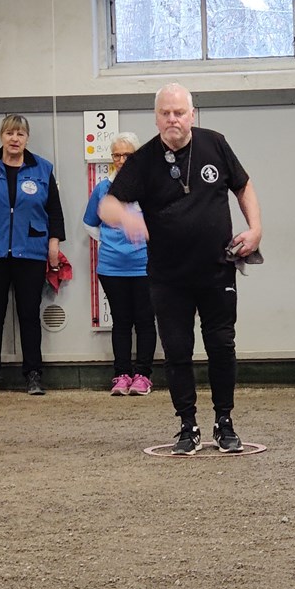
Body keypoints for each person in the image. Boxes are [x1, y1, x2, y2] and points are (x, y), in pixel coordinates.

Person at [99, 82, 262, 455]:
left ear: (192, 115)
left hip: (217, 270)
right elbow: (107, 205)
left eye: (179, 112)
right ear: (156, 118)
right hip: (168, 277)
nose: (172, 119)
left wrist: (255, 229)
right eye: (165, 113)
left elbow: (243, 186)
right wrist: (125, 217)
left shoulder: (215, 144)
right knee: (177, 351)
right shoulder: (143, 160)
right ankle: (188, 426)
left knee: (222, 345)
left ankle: (224, 423)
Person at [0, 114, 65, 395]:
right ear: (1, 136)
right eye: (9, 133)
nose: (14, 139)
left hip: (31, 251)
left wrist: (54, 244)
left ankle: (34, 374)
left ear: (27, 138)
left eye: (20, 134)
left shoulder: (42, 168)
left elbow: (54, 211)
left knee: (29, 315)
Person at [83, 132, 156, 396]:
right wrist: (111, 240)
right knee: (121, 321)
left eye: (128, 155)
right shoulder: (103, 189)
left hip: (145, 266)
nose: (122, 160)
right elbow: (89, 224)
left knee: (145, 320)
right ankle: (122, 374)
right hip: (112, 267)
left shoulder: (149, 187)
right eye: (117, 155)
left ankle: (143, 375)